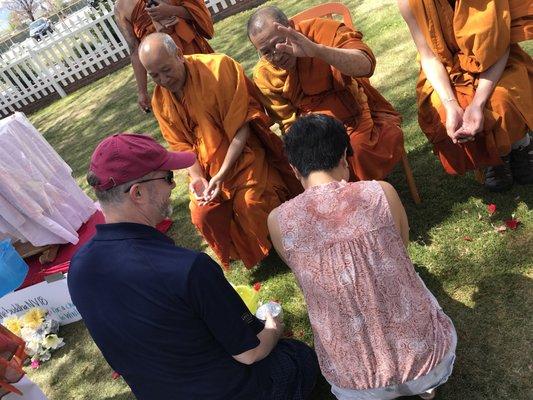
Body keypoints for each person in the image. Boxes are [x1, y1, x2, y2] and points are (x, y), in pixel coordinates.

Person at [67, 133, 318, 400]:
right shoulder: (187, 268)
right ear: (137, 192)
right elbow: (251, 352)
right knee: (296, 356)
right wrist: (273, 326)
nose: (173, 186)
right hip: (235, 390)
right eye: (167, 178)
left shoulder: (78, 269)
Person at [268, 114, 457, 400]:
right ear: (345, 156)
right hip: (427, 361)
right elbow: (401, 251)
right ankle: (423, 385)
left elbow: (298, 268)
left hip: (353, 382)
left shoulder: (277, 221)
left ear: (295, 169)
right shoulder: (381, 192)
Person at [139, 32, 302, 269]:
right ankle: (242, 251)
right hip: (205, 168)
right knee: (201, 214)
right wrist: (197, 179)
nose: (163, 79)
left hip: (243, 154)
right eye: (154, 75)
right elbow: (181, 146)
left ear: (179, 55)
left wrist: (222, 174)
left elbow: (243, 125)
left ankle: (274, 244)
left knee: (251, 203)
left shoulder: (218, 69)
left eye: (166, 70)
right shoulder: (159, 100)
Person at [248, 6, 404, 181]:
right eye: (266, 52)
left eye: (278, 43)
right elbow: (288, 123)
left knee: (357, 151)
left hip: (352, 115)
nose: (276, 55)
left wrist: (317, 51)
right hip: (313, 130)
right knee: (311, 169)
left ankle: (369, 200)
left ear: (290, 26)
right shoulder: (264, 74)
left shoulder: (319, 32)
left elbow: (366, 65)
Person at [397, 0, 533, 191]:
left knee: (501, 99)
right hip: (445, 68)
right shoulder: (408, 2)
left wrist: (478, 103)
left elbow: (500, 47)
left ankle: (521, 145)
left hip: (497, 60)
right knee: (441, 110)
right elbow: (428, 57)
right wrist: (450, 103)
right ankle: (495, 159)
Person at [114, 0, 214, 112]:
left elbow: (196, 12)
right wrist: (142, 92)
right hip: (163, 67)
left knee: (212, 90)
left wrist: (171, 10)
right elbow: (134, 50)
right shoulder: (120, 8)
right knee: (188, 109)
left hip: (191, 51)